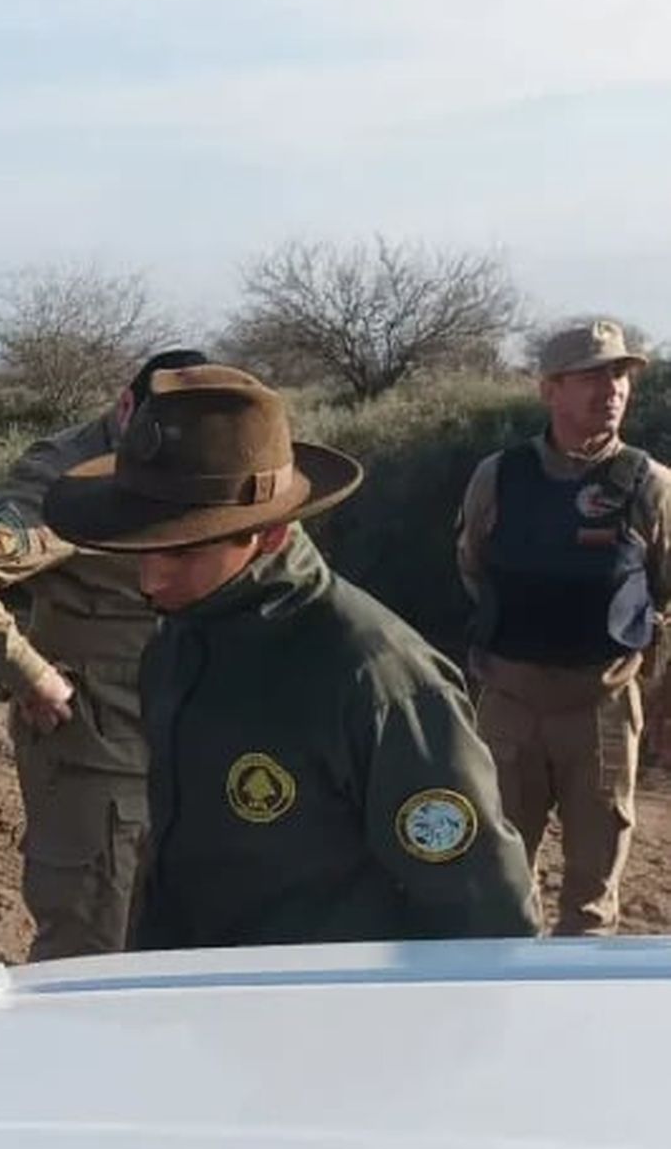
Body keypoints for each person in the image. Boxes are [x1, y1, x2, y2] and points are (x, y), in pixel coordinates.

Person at [42, 362, 540, 949]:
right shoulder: (181, 641)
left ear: (269, 535)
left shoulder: (378, 680)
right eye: (143, 548)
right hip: (196, 1008)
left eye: (181, 553)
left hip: (327, 1016)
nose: (150, 579)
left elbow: (482, 906)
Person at [0, 347, 207, 960]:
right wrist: (31, 676)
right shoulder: (71, 478)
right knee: (94, 951)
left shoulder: (197, 460)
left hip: (183, 748)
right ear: (127, 406)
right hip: (99, 757)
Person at [458, 319, 671, 934]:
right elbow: (473, 566)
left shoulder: (649, 485)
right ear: (549, 389)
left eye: (620, 374)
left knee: (592, 901)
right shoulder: (498, 476)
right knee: (495, 887)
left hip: (600, 709)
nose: (612, 389)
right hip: (509, 706)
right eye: (591, 376)